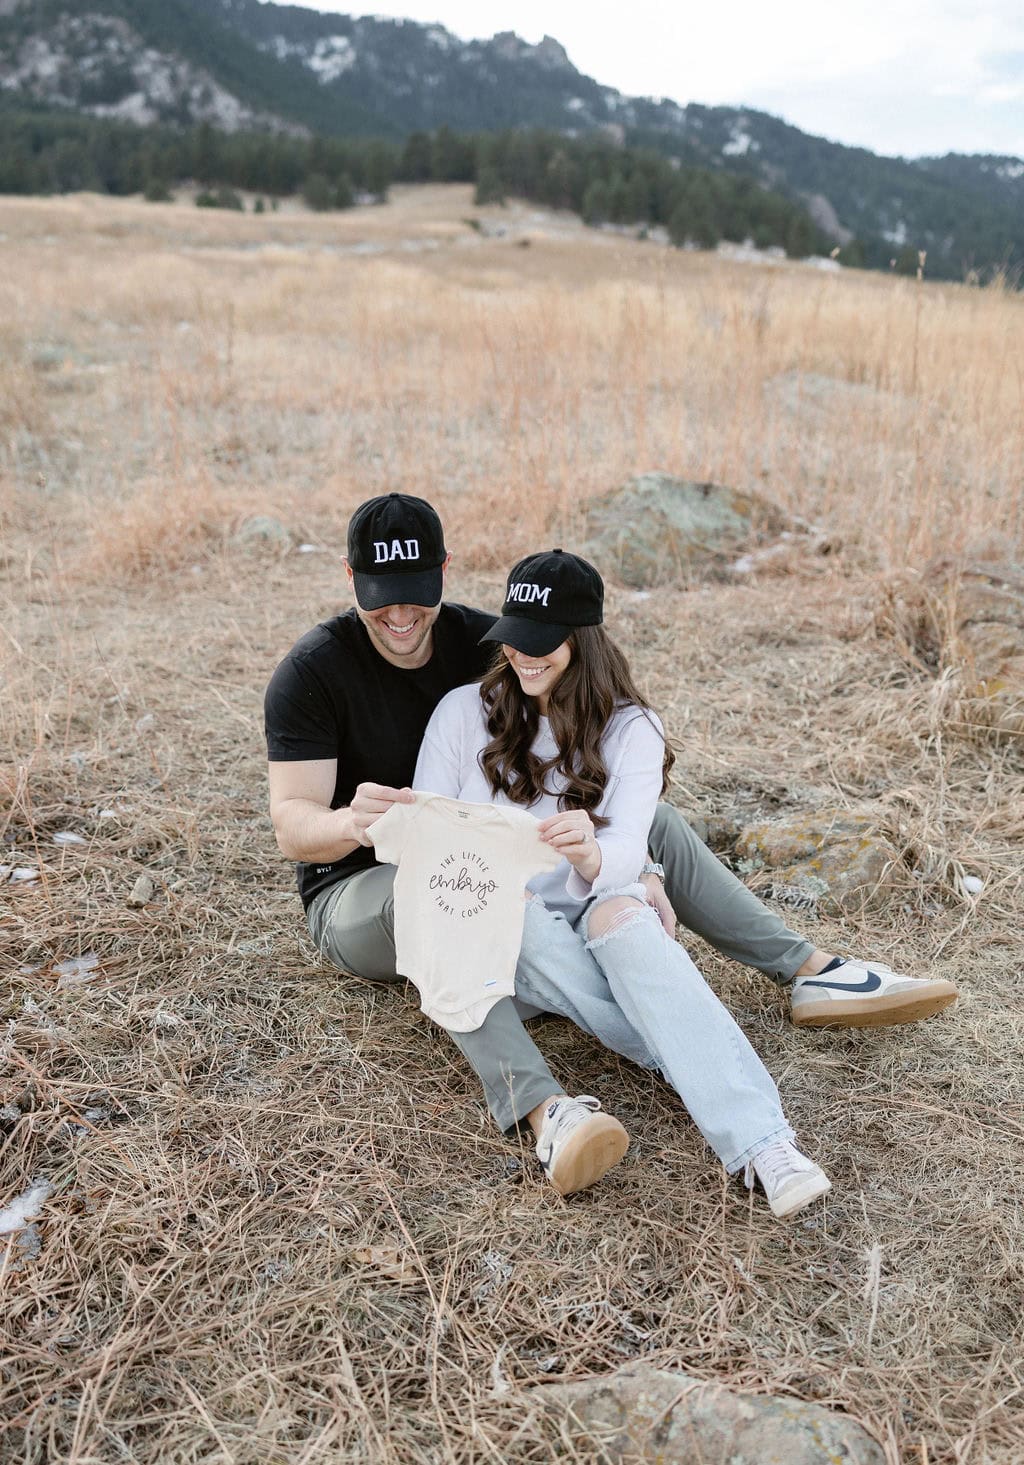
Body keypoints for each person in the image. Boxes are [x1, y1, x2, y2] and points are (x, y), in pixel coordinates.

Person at [264, 493, 957, 1198]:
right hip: (364, 880)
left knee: (649, 837)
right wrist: (354, 822)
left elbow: (602, 793)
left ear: (444, 574)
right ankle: (552, 1104)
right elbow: (292, 822)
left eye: (417, 595)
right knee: (466, 894)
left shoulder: (493, 639)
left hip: (528, 876)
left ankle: (806, 969)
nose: (402, 616)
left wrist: (637, 869)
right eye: (383, 599)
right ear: (353, 583)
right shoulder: (317, 671)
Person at [409, 548, 837, 1216]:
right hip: (503, 952)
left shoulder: (631, 727)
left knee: (623, 918)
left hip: (593, 932)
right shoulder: (464, 711)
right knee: (502, 909)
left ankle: (765, 1146)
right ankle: (682, 1041)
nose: (523, 657)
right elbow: (428, 835)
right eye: (514, 640)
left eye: (541, 645)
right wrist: (487, 877)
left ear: (582, 639)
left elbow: (627, 851)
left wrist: (589, 856)